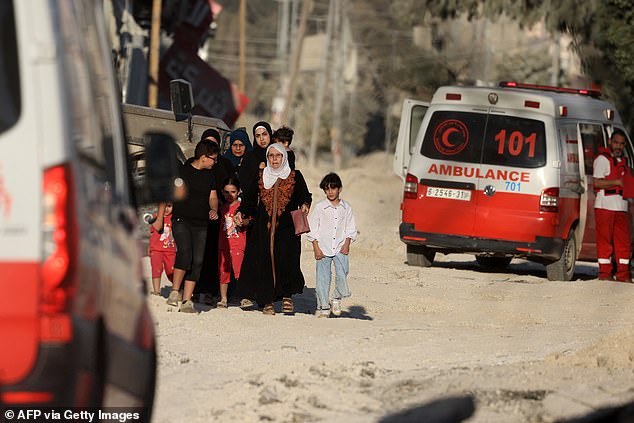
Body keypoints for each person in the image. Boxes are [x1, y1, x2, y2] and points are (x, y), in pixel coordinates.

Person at [235, 143, 312, 315]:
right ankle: (266, 300)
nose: (275, 159)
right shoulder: (261, 175)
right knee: (264, 262)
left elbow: (304, 195)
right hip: (263, 229)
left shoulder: (295, 176)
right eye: (271, 156)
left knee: (287, 260)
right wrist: (241, 212)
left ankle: (287, 297)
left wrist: (305, 205)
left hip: (287, 228)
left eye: (278, 156)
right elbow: (248, 199)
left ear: (284, 157)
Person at [166, 139, 220, 313]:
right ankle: (175, 291)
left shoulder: (210, 176)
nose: (215, 162)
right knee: (185, 252)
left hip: (201, 223)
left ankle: (187, 300)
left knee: (197, 260)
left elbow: (213, 197)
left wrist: (213, 209)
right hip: (181, 219)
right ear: (203, 157)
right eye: (213, 158)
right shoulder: (183, 171)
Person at [307, 173, 358, 317]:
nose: (330, 192)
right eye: (327, 189)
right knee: (323, 278)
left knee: (343, 274)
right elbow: (313, 229)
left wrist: (347, 243)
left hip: (341, 246)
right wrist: (316, 248)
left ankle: (336, 298)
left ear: (339, 189)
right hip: (323, 247)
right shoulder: (320, 207)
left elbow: (350, 227)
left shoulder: (346, 207)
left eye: (333, 188)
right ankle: (323, 307)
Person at [196, 128, 234, 305]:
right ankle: (194, 289)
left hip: (217, 216)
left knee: (212, 254)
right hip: (196, 214)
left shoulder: (224, 165)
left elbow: (229, 187)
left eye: (214, 144)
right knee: (195, 253)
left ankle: (210, 291)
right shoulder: (193, 164)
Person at [593, 128, 632, 282]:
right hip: (604, 206)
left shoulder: (625, 161)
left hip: (621, 206)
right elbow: (596, 182)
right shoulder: (602, 159)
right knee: (605, 242)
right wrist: (617, 182)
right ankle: (605, 274)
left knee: (623, 243)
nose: (618, 147)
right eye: (616, 143)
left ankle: (623, 274)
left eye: (621, 144)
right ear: (610, 142)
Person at [217, 177, 250, 308]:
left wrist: (242, 222)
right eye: (226, 192)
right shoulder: (220, 207)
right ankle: (223, 298)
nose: (229, 195)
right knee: (223, 272)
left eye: (233, 192)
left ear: (238, 192)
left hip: (238, 244)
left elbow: (248, 220)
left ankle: (244, 297)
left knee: (239, 272)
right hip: (223, 245)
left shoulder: (242, 207)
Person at [148, 202, 176, 296]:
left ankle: (177, 289)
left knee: (171, 270)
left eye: (169, 206)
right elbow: (152, 233)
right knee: (156, 269)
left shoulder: (174, 218)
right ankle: (156, 291)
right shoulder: (156, 218)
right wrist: (150, 248)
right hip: (156, 249)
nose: (166, 209)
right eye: (164, 206)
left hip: (170, 250)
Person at [239, 121, 273, 189]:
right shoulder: (249, 157)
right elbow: (244, 183)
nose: (261, 139)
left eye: (264, 134)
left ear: (270, 134)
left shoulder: (278, 154)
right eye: (258, 136)